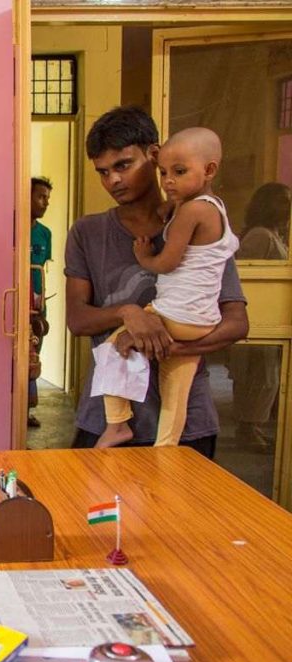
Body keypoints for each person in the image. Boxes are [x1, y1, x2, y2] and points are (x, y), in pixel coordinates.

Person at [65, 106, 247, 457]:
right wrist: (129, 313)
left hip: (186, 424)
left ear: (153, 154)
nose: (113, 180)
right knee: (93, 512)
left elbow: (237, 323)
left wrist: (180, 348)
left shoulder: (202, 227)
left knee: (179, 512)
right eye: (103, 172)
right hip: (107, 420)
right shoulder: (87, 232)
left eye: (123, 165)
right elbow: (77, 319)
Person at [228, 182, 291, 449]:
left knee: (268, 376)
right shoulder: (261, 235)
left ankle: (252, 426)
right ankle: (247, 428)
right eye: (282, 201)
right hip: (254, 315)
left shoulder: (275, 235)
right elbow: (243, 276)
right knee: (258, 375)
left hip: (268, 315)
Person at [29, 176, 54, 428]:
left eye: (47, 198)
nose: (45, 203)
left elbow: (42, 269)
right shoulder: (12, 227)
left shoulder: (45, 234)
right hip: (18, 303)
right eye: (40, 197)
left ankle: (26, 410)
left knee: (34, 356)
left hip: (38, 303)